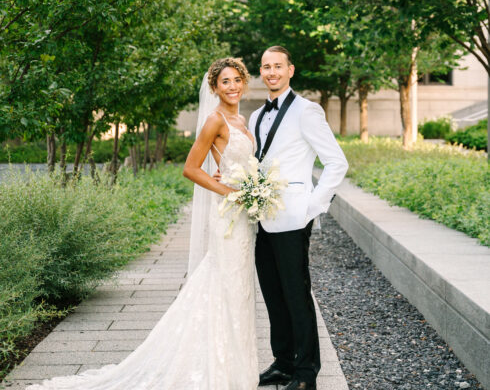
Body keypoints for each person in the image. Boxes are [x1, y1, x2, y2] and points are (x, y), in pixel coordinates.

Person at [26, 57, 259, 390]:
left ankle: (236, 368)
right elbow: (191, 168)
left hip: (244, 220)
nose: (232, 86)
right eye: (225, 81)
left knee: (238, 289)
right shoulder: (214, 120)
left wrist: (254, 186)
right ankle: (218, 369)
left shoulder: (242, 119)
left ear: (244, 82)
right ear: (214, 87)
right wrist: (228, 191)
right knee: (226, 284)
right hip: (227, 215)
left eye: (237, 79)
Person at [250, 46, 348, 390]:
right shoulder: (256, 115)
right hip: (261, 218)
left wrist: (312, 205)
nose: (271, 72)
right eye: (265, 67)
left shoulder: (307, 111)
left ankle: (306, 374)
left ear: (291, 70)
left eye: (278, 66)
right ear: (260, 72)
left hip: (294, 218)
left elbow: (337, 163)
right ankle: (283, 361)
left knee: (296, 294)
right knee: (273, 294)